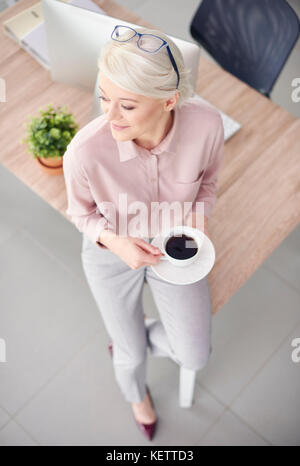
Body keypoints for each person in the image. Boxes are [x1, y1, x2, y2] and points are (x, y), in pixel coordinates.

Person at [63, 25, 224, 441]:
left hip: (176, 244)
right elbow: (80, 215)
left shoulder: (206, 124)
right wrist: (116, 242)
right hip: (110, 250)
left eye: (127, 106)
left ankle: (132, 336)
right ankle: (137, 394)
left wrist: (199, 219)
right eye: (103, 98)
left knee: (195, 354)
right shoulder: (84, 151)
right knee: (130, 354)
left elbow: (208, 183)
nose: (109, 116)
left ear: (169, 100)